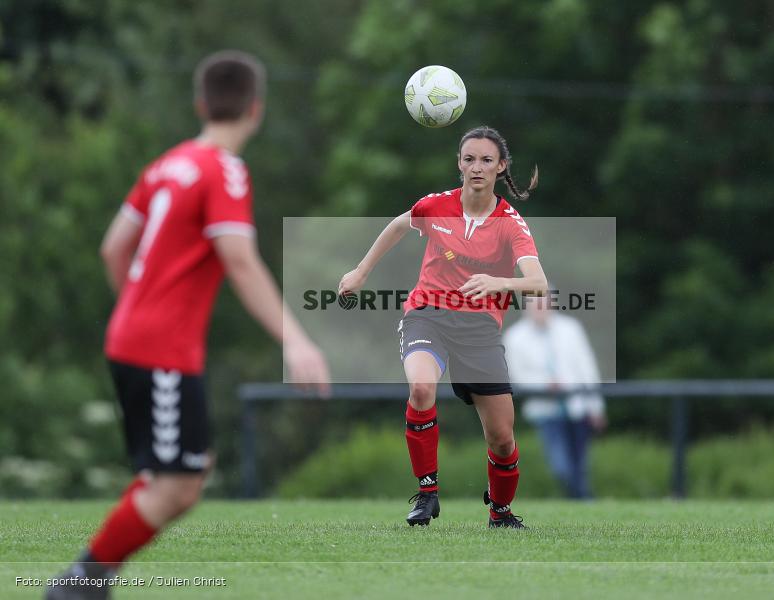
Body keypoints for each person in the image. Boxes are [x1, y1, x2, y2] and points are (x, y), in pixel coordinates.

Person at [47, 50, 330, 600]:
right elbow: (239, 258)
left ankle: (88, 583)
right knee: (177, 486)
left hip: (132, 337)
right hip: (160, 348)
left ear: (201, 103)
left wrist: (136, 305)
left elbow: (113, 248)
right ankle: (79, 585)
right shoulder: (224, 170)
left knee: (178, 476)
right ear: (256, 110)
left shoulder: (166, 165)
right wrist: (295, 340)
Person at [339, 126, 547, 529]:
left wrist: (500, 283)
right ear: (459, 164)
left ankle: (500, 513)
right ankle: (428, 491)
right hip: (427, 313)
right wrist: (361, 271)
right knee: (420, 388)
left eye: (487, 160)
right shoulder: (436, 206)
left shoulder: (510, 223)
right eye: (469, 159)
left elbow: (537, 281)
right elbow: (400, 224)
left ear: (501, 166)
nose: (477, 168)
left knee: (502, 440)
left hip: (479, 329)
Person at [503, 293, 606, 499]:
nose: (541, 309)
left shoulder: (571, 329)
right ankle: (582, 500)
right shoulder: (515, 337)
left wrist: (596, 407)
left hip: (578, 406)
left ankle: (583, 504)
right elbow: (516, 375)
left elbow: (587, 369)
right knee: (561, 466)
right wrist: (544, 384)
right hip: (545, 410)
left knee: (580, 465)